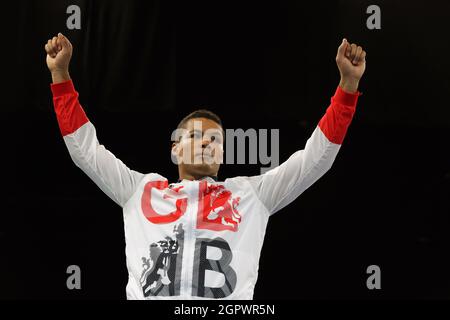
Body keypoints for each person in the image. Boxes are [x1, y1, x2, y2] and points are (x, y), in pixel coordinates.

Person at [44, 32, 366, 299]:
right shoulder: (139, 191)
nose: (206, 143)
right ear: (175, 149)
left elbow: (316, 158)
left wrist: (347, 87)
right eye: (196, 136)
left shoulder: (251, 195)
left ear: (223, 156)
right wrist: (60, 75)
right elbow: (85, 150)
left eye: (216, 141)